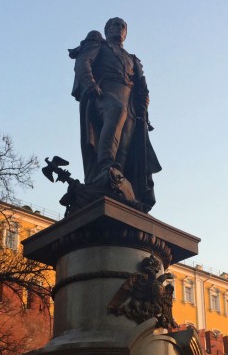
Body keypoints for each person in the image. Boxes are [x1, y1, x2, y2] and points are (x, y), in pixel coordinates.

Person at [69, 18, 161, 212]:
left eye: (122, 26)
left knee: (127, 137)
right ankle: (105, 166)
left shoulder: (133, 59)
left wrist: (144, 106)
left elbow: (142, 88)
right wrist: (89, 83)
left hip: (130, 101)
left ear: (126, 33)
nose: (118, 28)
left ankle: (116, 177)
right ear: (107, 29)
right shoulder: (99, 43)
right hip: (104, 91)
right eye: (114, 25)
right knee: (116, 110)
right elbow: (84, 61)